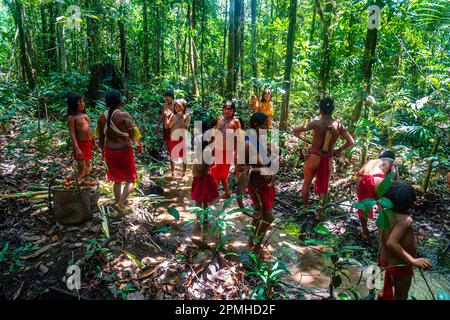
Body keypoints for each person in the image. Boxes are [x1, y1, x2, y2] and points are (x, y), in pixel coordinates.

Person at [293, 97, 355, 220]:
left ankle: (305, 208)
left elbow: (295, 130)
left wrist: (298, 132)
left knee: (306, 182)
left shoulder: (316, 123)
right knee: (324, 188)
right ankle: (319, 213)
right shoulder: (339, 126)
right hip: (327, 158)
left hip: (314, 156)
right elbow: (351, 142)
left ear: (321, 110)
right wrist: (339, 150)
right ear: (332, 110)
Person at [379, 181, 432, 300]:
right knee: (401, 295)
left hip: (387, 260)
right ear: (410, 203)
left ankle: (383, 295)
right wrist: (413, 261)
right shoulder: (405, 220)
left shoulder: (385, 214)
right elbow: (391, 243)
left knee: (389, 283)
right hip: (400, 265)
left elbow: (383, 237)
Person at [236, 112, 279, 257]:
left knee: (259, 213)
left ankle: (250, 239)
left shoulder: (264, 141)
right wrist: (256, 169)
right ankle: (257, 247)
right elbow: (240, 167)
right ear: (256, 125)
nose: (267, 127)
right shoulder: (248, 143)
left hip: (267, 185)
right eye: (264, 124)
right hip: (256, 185)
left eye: (268, 124)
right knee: (269, 218)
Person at [97, 90, 142, 212]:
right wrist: (138, 144)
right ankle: (120, 203)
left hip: (110, 151)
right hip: (124, 151)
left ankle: (119, 204)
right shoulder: (124, 115)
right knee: (131, 180)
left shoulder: (102, 117)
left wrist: (103, 153)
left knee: (117, 180)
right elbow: (132, 137)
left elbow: (101, 139)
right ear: (120, 101)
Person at [357, 151, 399, 240]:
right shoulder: (392, 162)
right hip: (377, 177)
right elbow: (395, 178)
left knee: (363, 206)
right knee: (383, 207)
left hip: (361, 177)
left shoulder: (371, 161)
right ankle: (384, 234)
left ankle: (364, 233)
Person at [191, 120, 219, 244]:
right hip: (201, 178)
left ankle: (199, 220)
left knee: (199, 200)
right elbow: (209, 164)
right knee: (204, 200)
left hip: (201, 178)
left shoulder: (204, 153)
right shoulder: (204, 152)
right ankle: (204, 218)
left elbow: (203, 166)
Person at [210, 101, 241, 199]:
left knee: (216, 173)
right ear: (223, 109)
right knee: (220, 174)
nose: (228, 111)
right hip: (217, 149)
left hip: (227, 151)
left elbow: (239, 138)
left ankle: (212, 194)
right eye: (226, 109)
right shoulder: (220, 119)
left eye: (230, 109)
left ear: (233, 111)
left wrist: (237, 153)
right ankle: (227, 193)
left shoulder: (235, 122)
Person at [67, 93, 98, 184]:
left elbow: (90, 130)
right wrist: (77, 149)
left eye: (83, 101)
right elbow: (72, 133)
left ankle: (85, 183)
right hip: (80, 144)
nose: (83, 103)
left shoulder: (84, 115)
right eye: (80, 102)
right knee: (82, 166)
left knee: (88, 165)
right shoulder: (72, 118)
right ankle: (78, 184)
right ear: (74, 104)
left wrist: (94, 142)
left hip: (88, 143)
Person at [166, 99, 191, 178]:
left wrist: (182, 118)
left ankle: (183, 173)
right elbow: (169, 126)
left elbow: (186, 127)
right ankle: (172, 172)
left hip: (182, 139)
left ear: (184, 107)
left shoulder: (187, 116)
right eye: (176, 106)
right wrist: (168, 117)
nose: (178, 108)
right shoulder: (173, 115)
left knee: (184, 157)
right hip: (173, 138)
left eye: (180, 106)